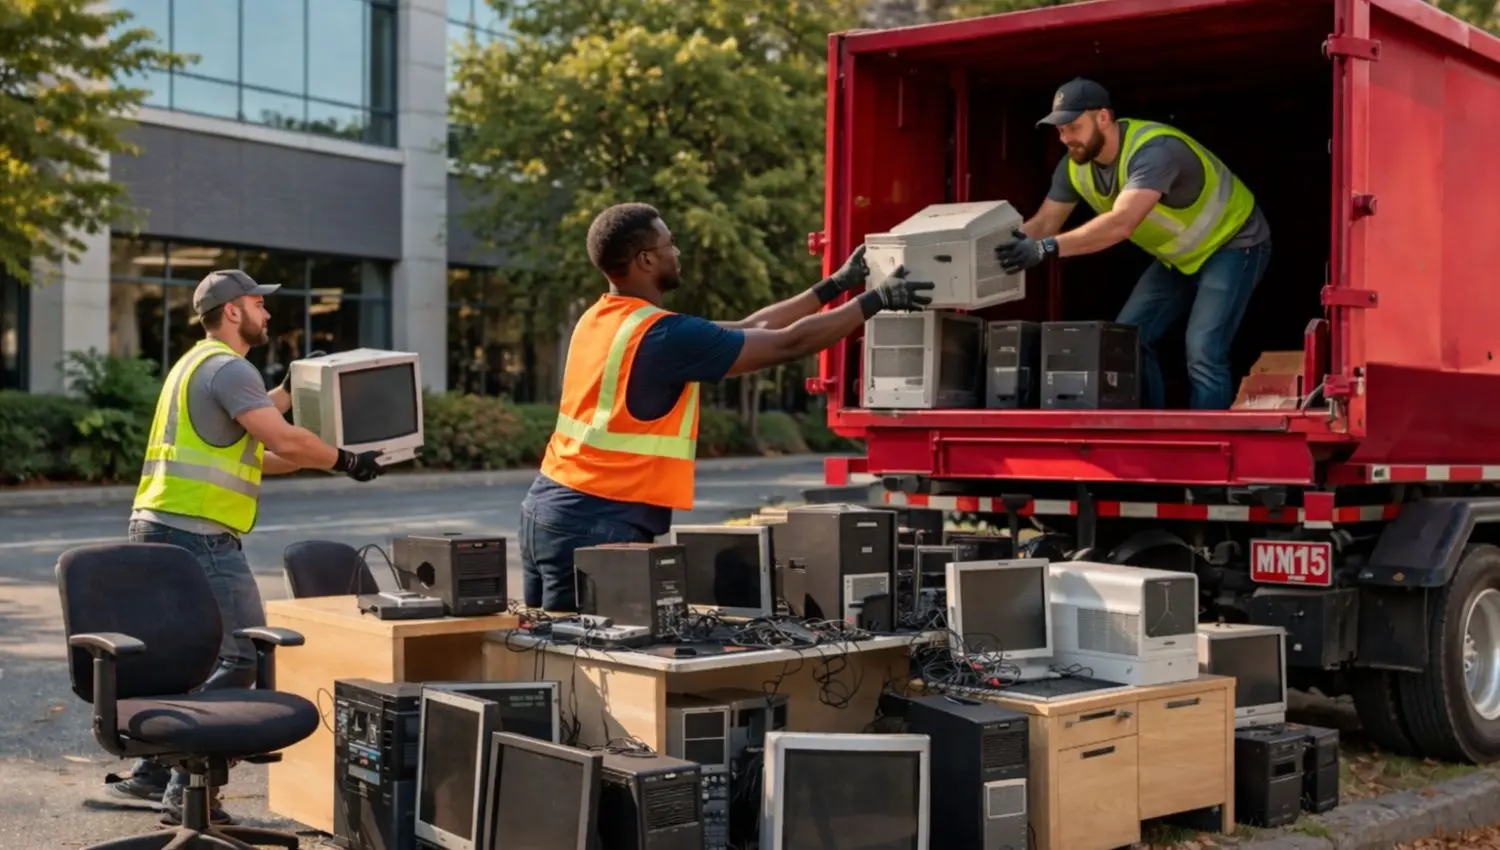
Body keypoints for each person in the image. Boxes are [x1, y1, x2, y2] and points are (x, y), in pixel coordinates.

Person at [520, 202, 934, 612]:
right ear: (646, 259)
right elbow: (788, 343)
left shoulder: (603, 320)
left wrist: (835, 285)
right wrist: (875, 301)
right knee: (592, 660)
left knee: (549, 655)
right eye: (670, 243)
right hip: (596, 522)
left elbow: (754, 327)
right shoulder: (663, 335)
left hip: (545, 512)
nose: (677, 252)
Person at [105, 269, 386, 824]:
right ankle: (186, 794)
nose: (267, 312)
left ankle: (154, 773)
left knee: (185, 664)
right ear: (232, 311)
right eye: (259, 303)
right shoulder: (231, 369)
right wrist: (345, 459)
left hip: (161, 526)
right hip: (198, 535)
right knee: (241, 653)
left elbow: (263, 454)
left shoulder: (196, 364)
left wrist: (300, 397)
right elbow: (280, 438)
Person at [996, 78, 1273, 410]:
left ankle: (1208, 444)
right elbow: (1043, 223)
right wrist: (994, 251)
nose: (1066, 138)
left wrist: (1045, 249)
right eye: (1060, 130)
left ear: (1103, 118)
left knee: (1203, 349)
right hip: (1178, 257)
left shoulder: (1154, 152)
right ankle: (1151, 429)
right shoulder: (1075, 166)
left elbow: (1121, 223)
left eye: (1073, 127)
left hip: (1233, 243)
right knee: (1129, 338)